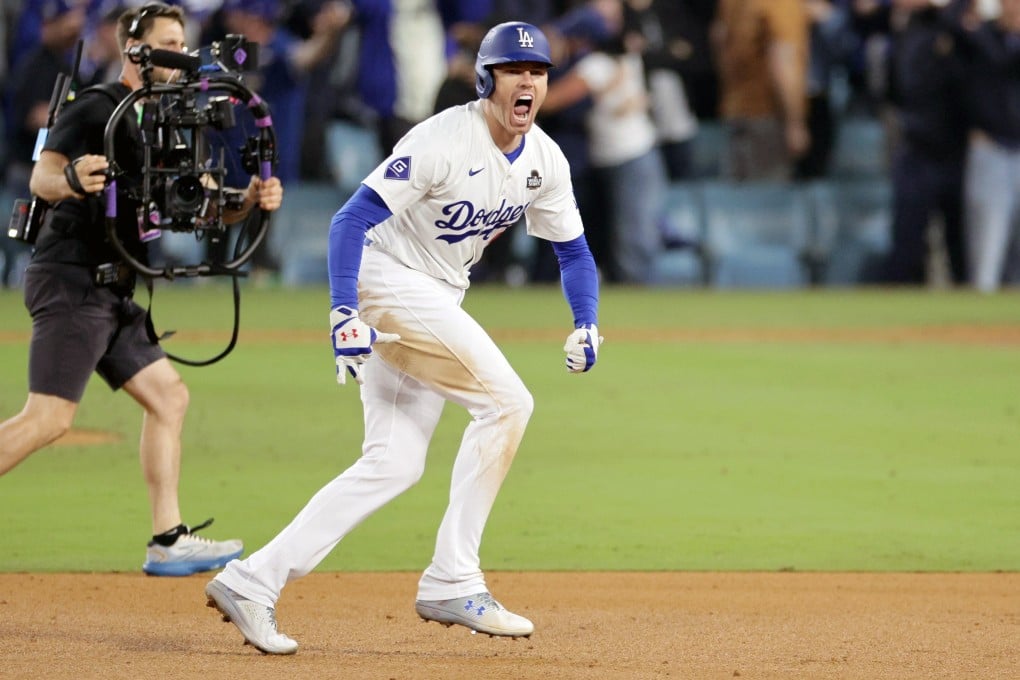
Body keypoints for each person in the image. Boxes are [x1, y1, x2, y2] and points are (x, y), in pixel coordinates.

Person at [205, 20, 602, 655]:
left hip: (435, 293)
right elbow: (350, 219)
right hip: (386, 279)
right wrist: (342, 312)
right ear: (486, 79)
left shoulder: (544, 160)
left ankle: (253, 580)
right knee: (507, 404)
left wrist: (586, 321)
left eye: (537, 72)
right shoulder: (444, 139)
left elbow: (574, 253)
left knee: (393, 463)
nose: (527, 81)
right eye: (512, 71)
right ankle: (453, 578)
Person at [0, 2, 284, 576]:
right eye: (168, 42)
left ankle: (167, 541)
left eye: (183, 42)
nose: (180, 54)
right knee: (49, 418)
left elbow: (200, 205)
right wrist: (73, 178)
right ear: (135, 48)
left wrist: (248, 200)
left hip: (115, 289)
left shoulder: (168, 120)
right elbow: (41, 176)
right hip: (74, 279)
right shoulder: (96, 106)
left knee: (168, 397)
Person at [713, 0, 811, 181]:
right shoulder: (782, 4)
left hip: (735, 110)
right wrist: (794, 122)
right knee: (768, 193)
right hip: (768, 115)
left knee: (738, 192)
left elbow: (719, 39)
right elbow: (783, 63)